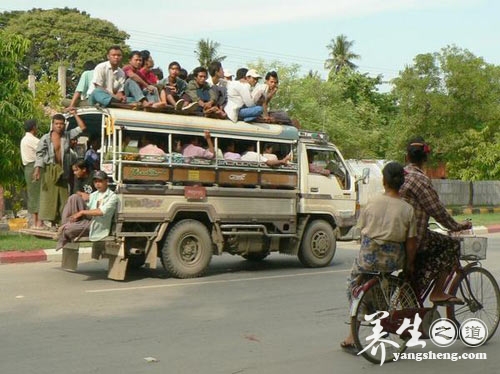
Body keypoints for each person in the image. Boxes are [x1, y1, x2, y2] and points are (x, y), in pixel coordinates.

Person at [341, 161, 417, 353]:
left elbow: (362, 233)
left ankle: (352, 334)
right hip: (392, 260)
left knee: (354, 286)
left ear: (384, 181)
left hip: (369, 258)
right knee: (386, 286)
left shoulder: (372, 202)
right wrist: (409, 264)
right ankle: (381, 323)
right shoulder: (407, 209)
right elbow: (410, 243)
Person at [399, 137, 471, 304]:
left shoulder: (400, 175)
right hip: (414, 236)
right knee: (451, 244)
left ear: (406, 157)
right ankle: (438, 292)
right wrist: (457, 226)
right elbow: (437, 211)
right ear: (425, 159)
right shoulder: (420, 180)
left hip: (396, 233)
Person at [34, 110, 87, 225]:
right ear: (52, 124)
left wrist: (75, 114)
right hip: (50, 171)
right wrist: (37, 169)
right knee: (49, 197)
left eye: (61, 123)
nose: (59, 126)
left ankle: (63, 222)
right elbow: (39, 154)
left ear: (64, 125)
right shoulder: (46, 138)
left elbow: (82, 127)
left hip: (63, 171)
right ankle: (49, 222)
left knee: (63, 197)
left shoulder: (67, 135)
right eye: (57, 123)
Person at [56, 170, 119, 250]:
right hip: (87, 220)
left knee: (68, 230)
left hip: (97, 224)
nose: (97, 184)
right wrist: (80, 211)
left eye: (100, 181)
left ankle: (65, 229)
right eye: (95, 182)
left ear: (106, 181)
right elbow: (87, 207)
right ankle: (65, 224)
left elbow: (101, 212)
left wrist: (81, 212)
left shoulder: (112, 197)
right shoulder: (94, 194)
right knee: (74, 197)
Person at [20, 119, 43, 229]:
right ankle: (38, 223)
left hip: (28, 168)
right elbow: (43, 149)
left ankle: (35, 222)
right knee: (38, 194)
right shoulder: (32, 140)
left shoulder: (24, 139)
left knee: (33, 194)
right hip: (34, 167)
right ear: (33, 127)